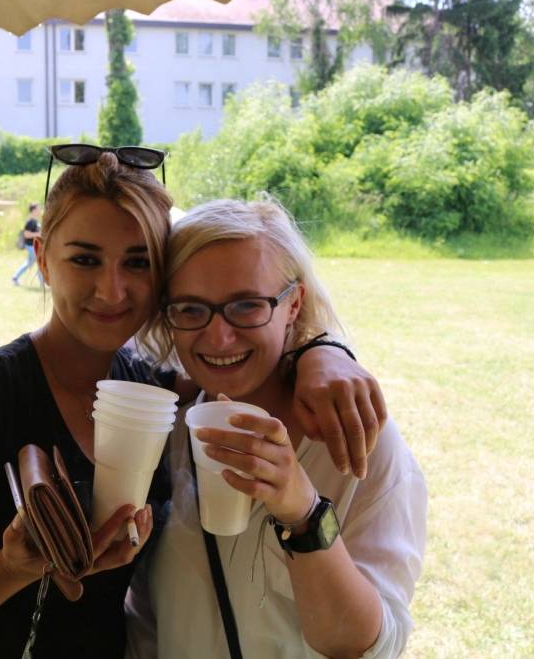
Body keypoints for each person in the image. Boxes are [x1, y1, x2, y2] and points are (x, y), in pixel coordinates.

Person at [0, 149, 385, 657]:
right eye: (85, 259)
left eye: (138, 262)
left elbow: (242, 350)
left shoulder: (152, 391)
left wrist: (322, 351)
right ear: (43, 259)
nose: (112, 291)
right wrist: (12, 568)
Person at [128, 198, 427, 659]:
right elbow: (148, 620)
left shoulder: (356, 442)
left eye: (247, 305)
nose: (218, 337)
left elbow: (369, 646)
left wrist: (303, 511)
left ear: (294, 304)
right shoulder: (168, 433)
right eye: (190, 309)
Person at [11, 202, 41, 286]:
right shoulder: (30, 222)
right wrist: (38, 234)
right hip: (31, 246)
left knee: (29, 264)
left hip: (35, 246)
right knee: (40, 263)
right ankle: (42, 283)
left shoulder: (36, 221)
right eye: (38, 208)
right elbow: (26, 235)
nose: (40, 210)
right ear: (34, 210)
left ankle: (15, 278)